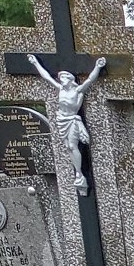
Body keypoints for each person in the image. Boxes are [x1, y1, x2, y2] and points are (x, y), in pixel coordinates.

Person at [29, 55, 105, 197]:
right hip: (61, 120)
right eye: (60, 78)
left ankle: (79, 173)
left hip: (72, 120)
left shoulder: (77, 91)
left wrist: (98, 66)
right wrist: (35, 63)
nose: (61, 80)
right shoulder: (61, 89)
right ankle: (78, 172)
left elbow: (90, 80)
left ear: (70, 80)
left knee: (72, 146)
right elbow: (46, 77)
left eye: (64, 78)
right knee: (68, 148)